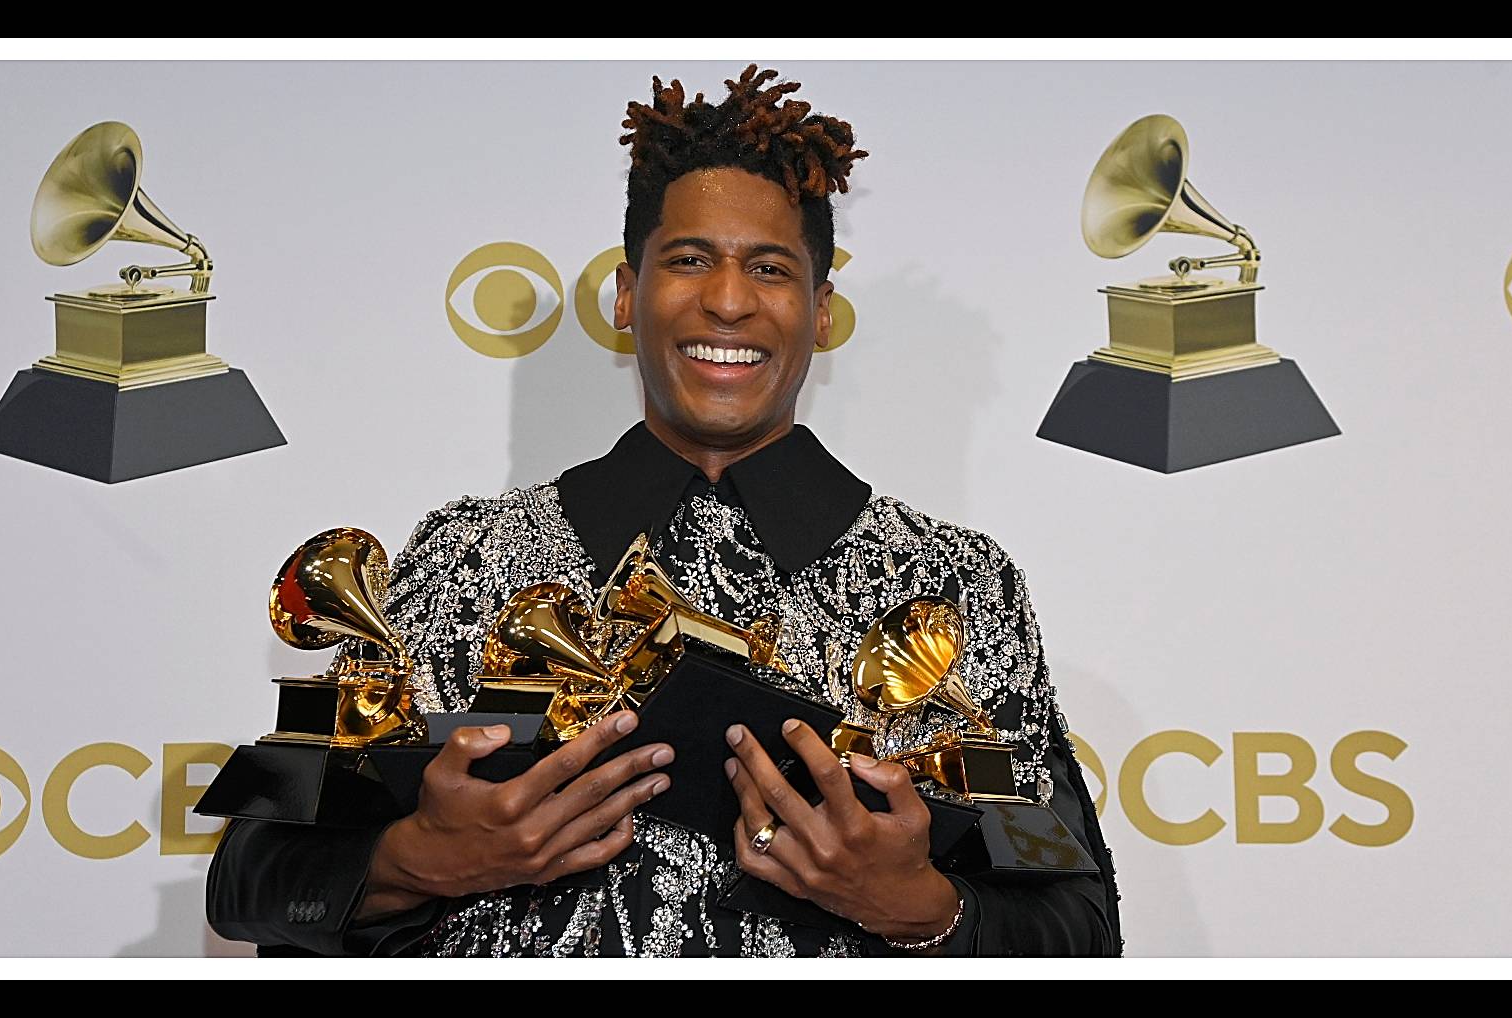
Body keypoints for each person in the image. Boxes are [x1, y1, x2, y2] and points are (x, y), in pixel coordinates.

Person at [206, 64, 1122, 958]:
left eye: (770, 268)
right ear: (627, 294)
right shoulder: (462, 553)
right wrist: (418, 860)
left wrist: (918, 906)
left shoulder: (954, 584)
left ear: (822, 311)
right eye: (689, 260)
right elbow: (246, 875)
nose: (728, 301)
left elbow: (1080, 921)